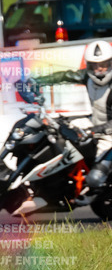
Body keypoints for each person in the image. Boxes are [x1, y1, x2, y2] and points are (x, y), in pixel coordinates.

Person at [29, 40, 112, 197]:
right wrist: (38, 81)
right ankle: (61, 177)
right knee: (58, 128)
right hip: (94, 123)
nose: (99, 69)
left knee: (95, 178)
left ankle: (91, 192)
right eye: (94, 65)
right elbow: (64, 76)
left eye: (104, 64)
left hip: (109, 134)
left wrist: (94, 130)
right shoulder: (87, 76)